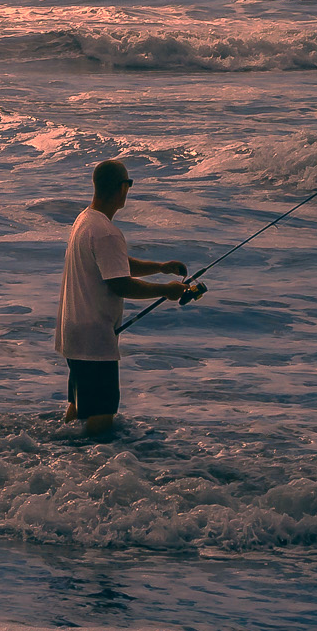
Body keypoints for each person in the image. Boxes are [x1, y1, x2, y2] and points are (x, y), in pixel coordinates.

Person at [55, 158, 203, 434]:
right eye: (129, 183)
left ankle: (63, 453)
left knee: (81, 405)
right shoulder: (106, 232)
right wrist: (166, 290)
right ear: (122, 188)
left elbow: (115, 263)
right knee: (102, 413)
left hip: (73, 331)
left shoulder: (85, 220)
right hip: (94, 339)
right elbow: (121, 284)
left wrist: (159, 268)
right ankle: (86, 465)